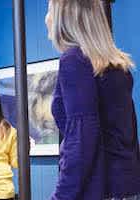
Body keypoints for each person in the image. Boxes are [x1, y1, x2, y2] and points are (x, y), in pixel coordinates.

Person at [45, 0, 140, 199]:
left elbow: (82, 138)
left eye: (50, 9)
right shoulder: (117, 66)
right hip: (125, 187)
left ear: (64, 17)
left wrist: (61, 196)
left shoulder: (74, 60)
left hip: (95, 188)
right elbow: (129, 134)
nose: (47, 18)